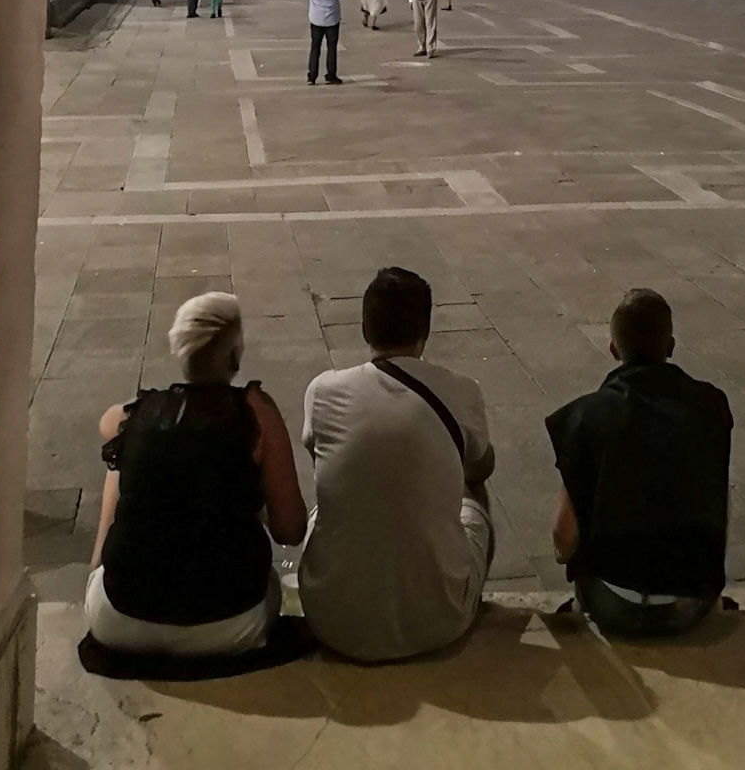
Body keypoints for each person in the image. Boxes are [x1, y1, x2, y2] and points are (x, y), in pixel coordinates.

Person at [85, 293, 306, 656]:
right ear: (235, 356)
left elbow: (108, 423)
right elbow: (290, 530)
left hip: (121, 618)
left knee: (120, 459)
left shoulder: (144, 413)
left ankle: (98, 567)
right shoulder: (256, 413)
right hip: (229, 621)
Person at [299, 267, 495, 662]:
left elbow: (315, 453)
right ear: (425, 332)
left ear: (364, 328)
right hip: (438, 622)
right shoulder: (462, 389)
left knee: (327, 503)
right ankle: (462, 589)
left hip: (332, 619)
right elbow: (482, 466)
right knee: (473, 492)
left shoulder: (322, 391)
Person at [546, 288, 732, 640]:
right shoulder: (712, 405)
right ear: (671, 346)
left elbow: (563, 535)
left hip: (614, 600)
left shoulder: (586, 417)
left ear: (614, 349)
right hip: (692, 599)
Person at [307, 0, 344, 84]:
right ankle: (331, 74)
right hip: (332, 17)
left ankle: (312, 75)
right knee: (331, 47)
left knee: (315, 46)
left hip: (316, 16)